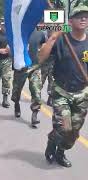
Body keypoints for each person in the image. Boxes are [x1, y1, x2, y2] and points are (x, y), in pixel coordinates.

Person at [38, 6, 88, 168]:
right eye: (78, 16)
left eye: (86, 16)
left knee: (73, 133)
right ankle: (53, 143)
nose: (83, 19)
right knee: (64, 128)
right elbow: (41, 58)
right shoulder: (61, 39)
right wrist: (52, 38)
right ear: (70, 21)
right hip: (62, 91)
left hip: (82, 93)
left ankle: (60, 150)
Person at [11, 27, 45, 127]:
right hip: (21, 67)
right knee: (16, 91)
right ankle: (16, 104)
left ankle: (34, 115)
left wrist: (40, 54)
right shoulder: (17, 33)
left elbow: (43, 44)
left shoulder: (40, 33)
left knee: (36, 90)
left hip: (34, 66)